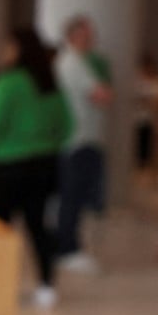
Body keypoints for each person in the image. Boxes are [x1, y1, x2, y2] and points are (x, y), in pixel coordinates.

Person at [0, 27, 73, 307]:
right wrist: (46, 145)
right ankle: (46, 284)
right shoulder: (49, 83)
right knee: (38, 225)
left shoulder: (8, 83)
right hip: (43, 164)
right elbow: (66, 126)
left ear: (18, 50)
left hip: (7, 164)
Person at [54, 15, 113, 272]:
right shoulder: (73, 63)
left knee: (74, 196)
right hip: (77, 139)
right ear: (74, 36)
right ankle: (67, 247)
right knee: (72, 196)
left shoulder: (75, 62)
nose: (91, 41)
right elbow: (100, 94)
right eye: (87, 36)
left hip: (79, 138)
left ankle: (67, 244)